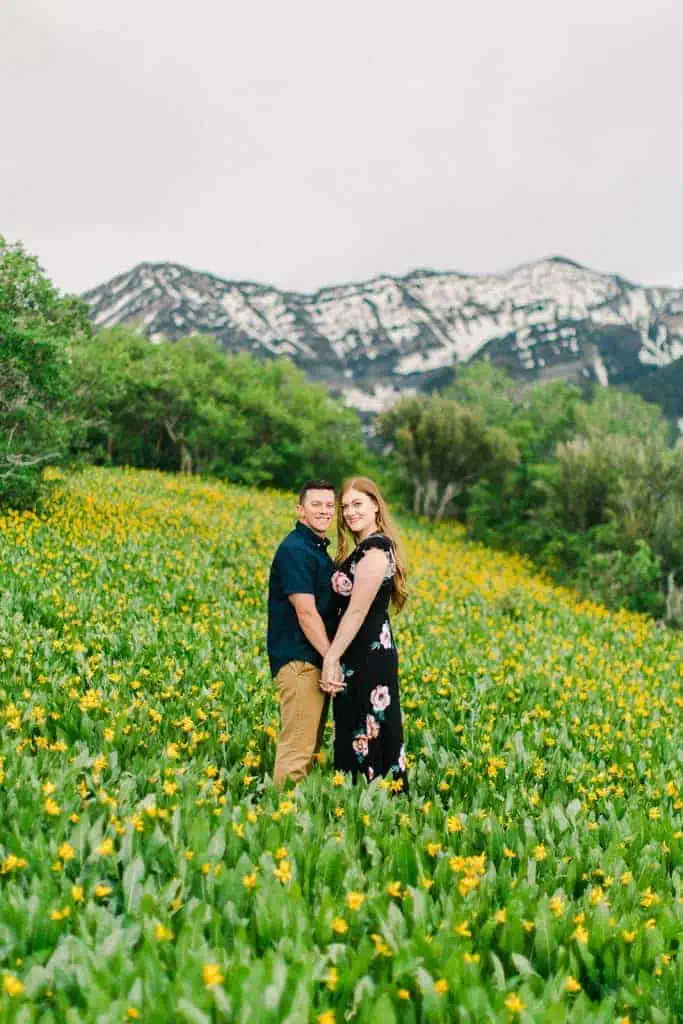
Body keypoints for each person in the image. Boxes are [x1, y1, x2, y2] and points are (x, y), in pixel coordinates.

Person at [321, 477, 409, 792]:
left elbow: (357, 610)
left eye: (358, 504)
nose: (349, 512)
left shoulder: (376, 548)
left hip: (368, 654)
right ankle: (357, 804)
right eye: (345, 507)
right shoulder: (360, 548)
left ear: (375, 505)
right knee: (353, 726)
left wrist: (331, 658)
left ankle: (381, 805)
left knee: (370, 726)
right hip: (356, 653)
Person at [267, 480, 343, 786]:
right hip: (301, 662)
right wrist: (331, 658)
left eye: (329, 505)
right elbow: (306, 612)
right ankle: (279, 824)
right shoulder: (295, 550)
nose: (324, 511)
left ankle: (291, 823)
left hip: (312, 660)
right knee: (297, 752)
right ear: (300, 509)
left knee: (308, 751)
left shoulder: (316, 550)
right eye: (316, 505)